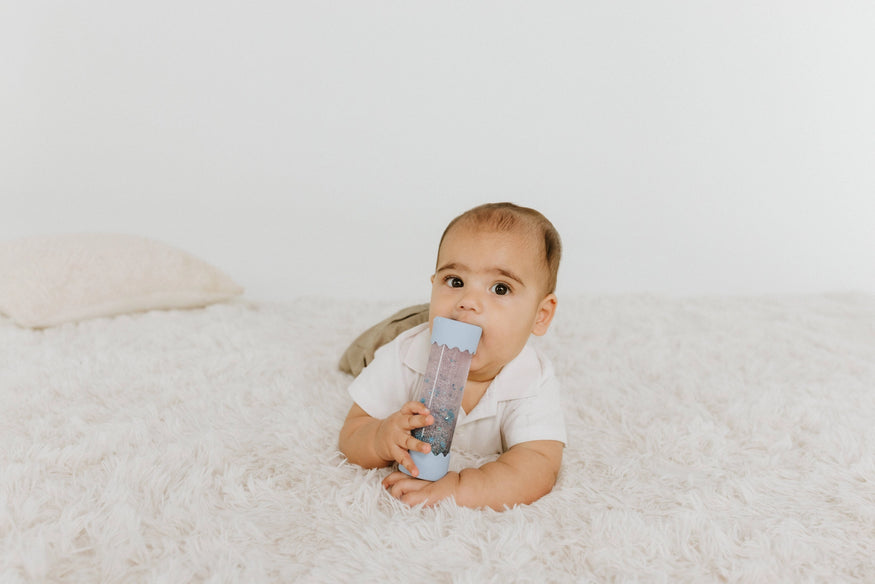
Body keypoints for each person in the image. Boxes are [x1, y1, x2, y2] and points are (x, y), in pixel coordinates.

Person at [338, 202, 565, 510]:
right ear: (434, 286)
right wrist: (379, 438)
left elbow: (538, 467)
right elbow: (352, 433)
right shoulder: (405, 354)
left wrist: (459, 488)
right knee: (365, 351)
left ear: (541, 315)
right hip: (402, 332)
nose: (467, 301)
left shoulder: (531, 378)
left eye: (500, 288)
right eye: (455, 282)